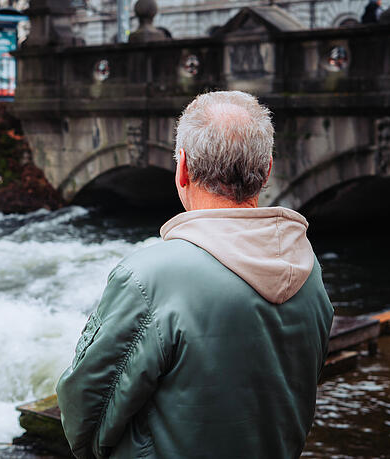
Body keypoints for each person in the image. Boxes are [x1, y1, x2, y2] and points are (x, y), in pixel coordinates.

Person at [56, 91, 335, 458]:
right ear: (267, 170)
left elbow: (84, 418)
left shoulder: (150, 277)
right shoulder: (308, 270)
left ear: (183, 167)